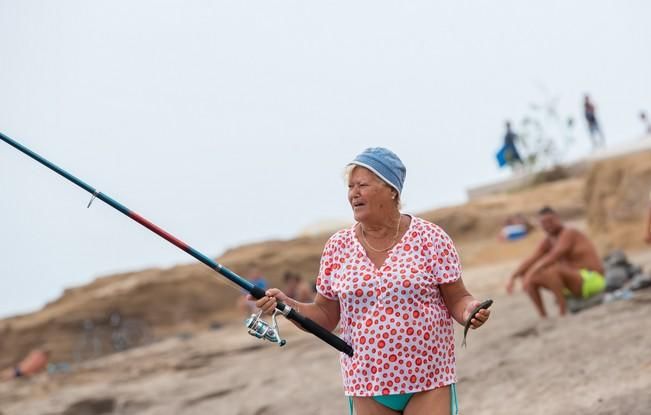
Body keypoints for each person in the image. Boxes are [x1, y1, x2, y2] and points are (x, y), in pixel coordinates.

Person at [252, 147, 490, 415]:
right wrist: (287, 305)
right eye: (350, 186)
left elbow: (457, 298)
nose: (353, 193)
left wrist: (471, 310)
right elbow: (324, 315)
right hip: (366, 383)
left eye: (362, 185)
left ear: (391, 190)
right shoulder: (337, 247)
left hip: (430, 377)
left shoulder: (431, 238)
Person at [506, 206, 605, 318]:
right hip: (576, 281)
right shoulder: (549, 240)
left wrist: (530, 273)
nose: (548, 225)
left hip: (593, 280)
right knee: (531, 277)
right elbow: (532, 258)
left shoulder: (569, 233)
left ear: (558, 218)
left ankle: (563, 311)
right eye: (544, 223)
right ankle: (543, 316)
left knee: (551, 269)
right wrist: (513, 277)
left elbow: (554, 256)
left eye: (550, 221)